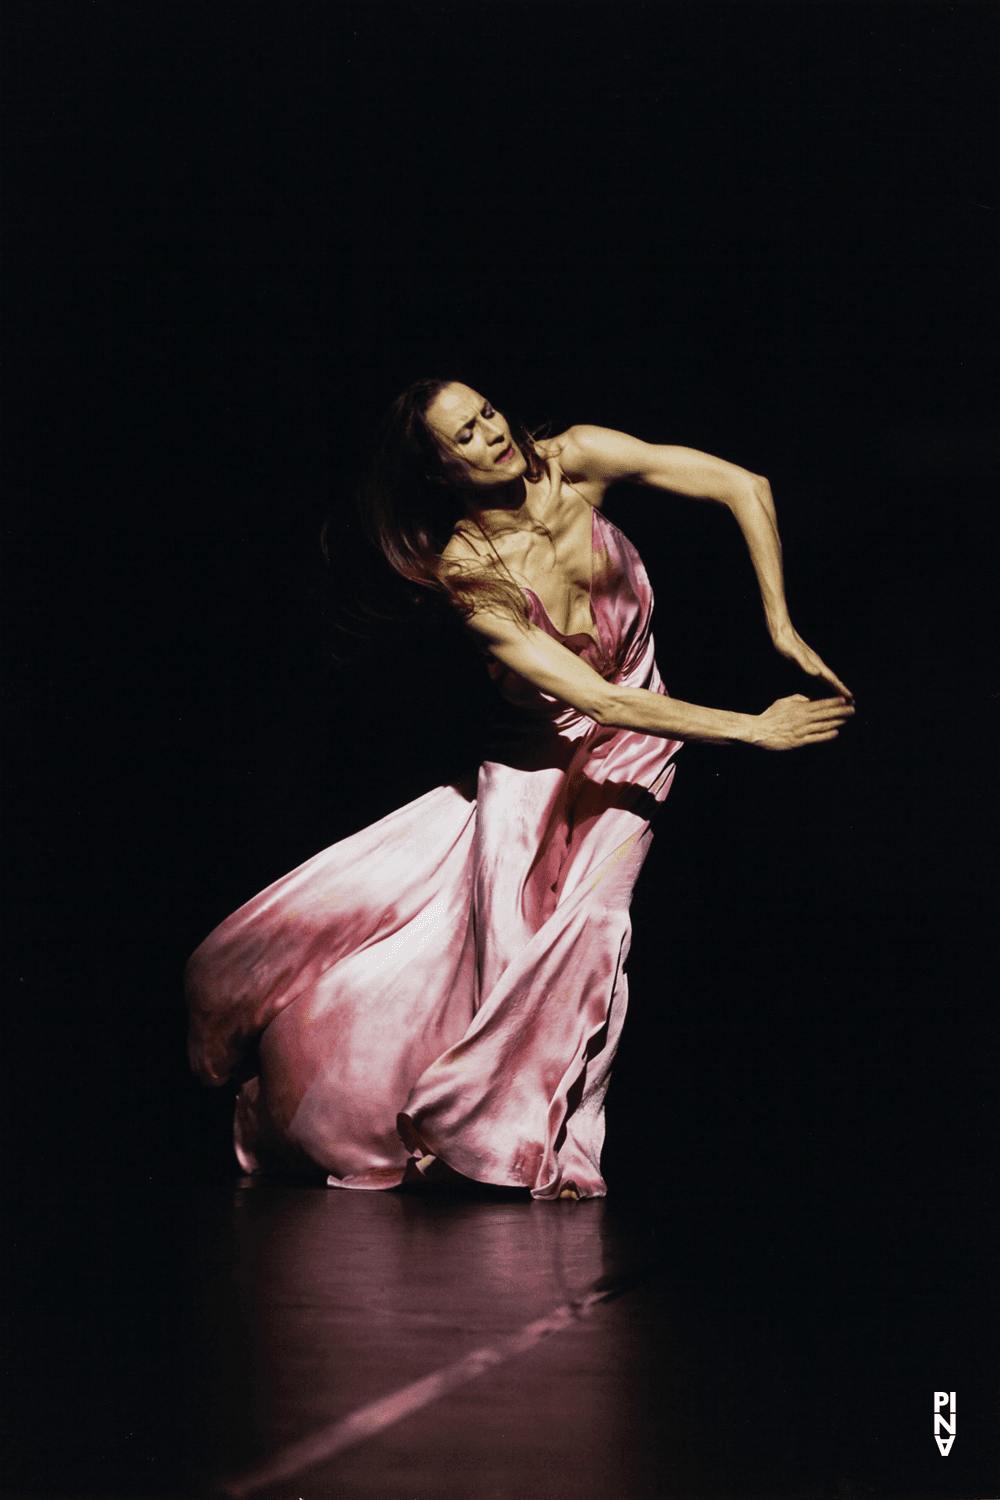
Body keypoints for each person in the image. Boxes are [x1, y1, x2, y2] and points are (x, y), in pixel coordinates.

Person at [186, 379, 853, 1201]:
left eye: (487, 414)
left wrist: (780, 625)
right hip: (534, 762)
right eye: (463, 435)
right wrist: (758, 727)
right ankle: (420, 1114)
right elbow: (595, 698)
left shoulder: (576, 461)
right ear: (437, 469)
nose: (491, 434)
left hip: (638, 745)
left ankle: (565, 1150)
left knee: (596, 927)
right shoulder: (469, 570)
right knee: (507, 954)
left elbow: (743, 485)